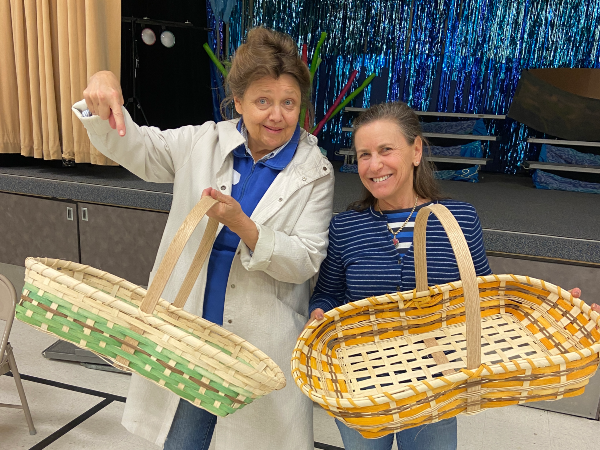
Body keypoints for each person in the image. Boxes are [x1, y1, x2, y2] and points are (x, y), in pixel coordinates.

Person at [73, 27, 334, 450]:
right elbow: (137, 147)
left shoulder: (315, 172)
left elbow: (304, 260)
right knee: (183, 441)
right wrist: (101, 88)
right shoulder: (203, 142)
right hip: (189, 340)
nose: (277, 115)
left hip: (255, 349)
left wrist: (244, 226)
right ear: (238, 103)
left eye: (288, 103)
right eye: (262, 101)